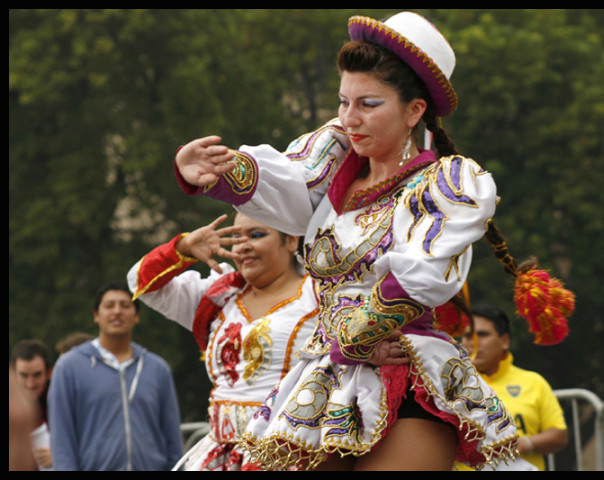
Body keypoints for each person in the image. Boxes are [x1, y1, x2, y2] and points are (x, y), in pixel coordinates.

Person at [173, 12, 523, 471]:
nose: (349, 118)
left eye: (369, 104)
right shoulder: (335, 159)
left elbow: (420, 276)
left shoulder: (443, 183)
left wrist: (356, 341)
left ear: (414, 110)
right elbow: (285, 186)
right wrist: (215, 172)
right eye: (343, 102)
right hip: (329, 372)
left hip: (407, 372)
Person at [126, 211, 320, 470]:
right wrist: (184, 248)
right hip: (220, 455)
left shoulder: (319, 295)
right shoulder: (220, 295)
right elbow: (140, 283)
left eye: (256, 235)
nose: (243, 246)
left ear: (291, 240)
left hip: (288, 454)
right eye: (235, 237)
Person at [47, 282, 183, 470]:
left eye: (125, 306)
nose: (117, 311)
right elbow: (61, 438)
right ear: (96, 315)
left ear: (137, 316)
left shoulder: (157, 369)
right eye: (109, 305)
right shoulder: (69, 367)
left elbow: (173, 438)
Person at [460, 304, 568, 471]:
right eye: (467, 336)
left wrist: (526, 443)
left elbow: (559, 435)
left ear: (504, 341)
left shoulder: (533, 382)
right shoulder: (448, 386)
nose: (473, 342)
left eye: (482, 335)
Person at [10, 339, 53, 470]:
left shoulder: (60, 403)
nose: (31, 384)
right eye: (24, 375)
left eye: (37, 375)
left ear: (49, 373)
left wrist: (60, 455)